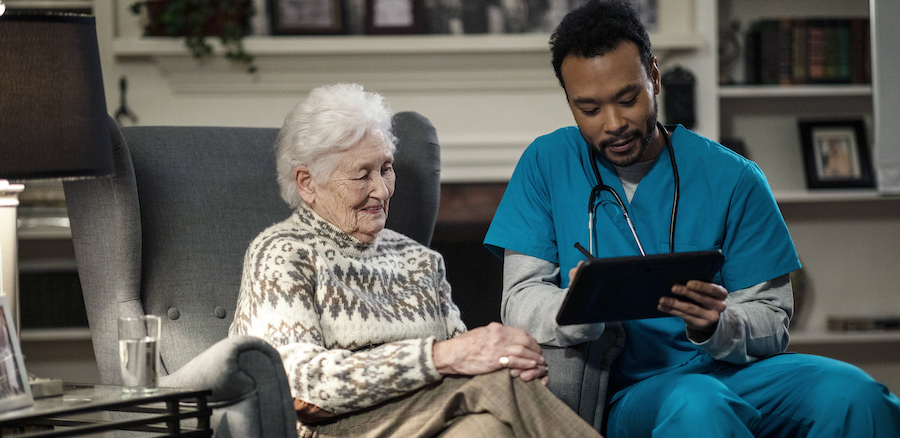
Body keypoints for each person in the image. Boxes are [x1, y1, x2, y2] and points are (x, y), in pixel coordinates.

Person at [483, 1, 900, 437]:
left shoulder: (732, 177)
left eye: (628, 99)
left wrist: (718, 324)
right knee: (698, 404)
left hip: (732, 370)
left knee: (856, 395)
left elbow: (773, 320)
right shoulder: (547, 163)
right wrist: (579, 305)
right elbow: (519, 302)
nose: (614, 124)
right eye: (589, 109)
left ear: (655, 77)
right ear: (569, 102)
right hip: (637, 392)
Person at [229, 83, 605, 438]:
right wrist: (439, 357)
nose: (382, 189)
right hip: (332, 428)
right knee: (496, 387)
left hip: (428, 418)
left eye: (386, 168)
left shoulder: (420, 260)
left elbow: (469, 361)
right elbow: (300, 384)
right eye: (362, 175)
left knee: (489, 429)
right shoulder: (282, 253)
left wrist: (506, 360)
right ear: (307, 183)